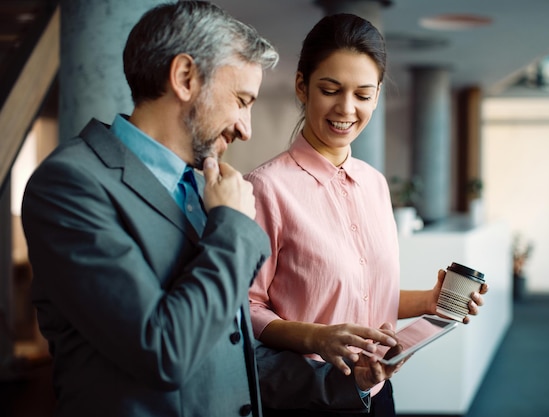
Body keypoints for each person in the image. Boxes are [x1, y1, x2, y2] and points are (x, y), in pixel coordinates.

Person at [21, 3, 396, 416]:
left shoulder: (202, 190)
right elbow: (163, 351)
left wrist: (348, 384)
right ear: (184, 78)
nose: (245, 128)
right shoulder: (70, 186)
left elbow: (233, 353)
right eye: (241, 100)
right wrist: (232, 226)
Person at [245, 13, 489, 417]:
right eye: (330, 89)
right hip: (305, 396)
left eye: (363, 94)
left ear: (377, 96)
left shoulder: (375, 185)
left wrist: (430, 301)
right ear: (302, 87)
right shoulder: (266, 188)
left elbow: (363, 297)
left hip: (376, 394)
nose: (346, 108)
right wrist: (316, 338)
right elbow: (246, 308)